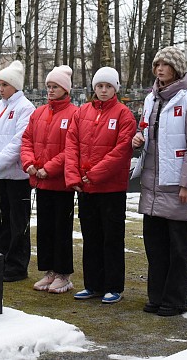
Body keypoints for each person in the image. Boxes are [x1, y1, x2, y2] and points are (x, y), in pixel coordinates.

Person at [131, 46, 187, 316]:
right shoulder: (151, 99)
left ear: (177, 69)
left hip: (176, 185)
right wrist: (136, 140)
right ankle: (157, 295)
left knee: (178, 247)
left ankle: (176, 299)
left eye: (165, 65)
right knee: (155, 245)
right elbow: (144, 131)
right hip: (152, 184)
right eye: (157, 65)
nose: (159, 69)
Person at [65, 66, 137, 304]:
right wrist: (74, 176)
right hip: (86, 188)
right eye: (99, 86)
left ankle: (114, 285)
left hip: (111, 188)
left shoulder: (123, 114)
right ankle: (93, 284)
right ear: (93, 88)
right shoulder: (82, 112)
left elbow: (121, 150)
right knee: (91, 236)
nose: (103, 90)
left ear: (115, 88)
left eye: (108, 86)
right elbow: (72, 144)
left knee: (112, 237)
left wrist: (94, 174)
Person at [21, 65, 79, 293]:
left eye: (55, 86)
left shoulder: (74, 113)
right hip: (41, 180)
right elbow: (27, 140)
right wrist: (30, 163)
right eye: (49, 86)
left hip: (61, 183)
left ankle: (63, 273)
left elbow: (71, 148)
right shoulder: (39, 112)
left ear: (65, 89)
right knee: (44, 228)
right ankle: (49, 271)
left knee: (61, 228)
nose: (50, 90)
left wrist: (50, 167)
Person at [0, 60, 36, 282]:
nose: (1, 88)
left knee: (17, 222)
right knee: (0, 220)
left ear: (15, 85)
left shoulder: (25, 108)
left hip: (16, 175)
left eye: (5, 84)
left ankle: (17, 265)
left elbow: (19, 142)